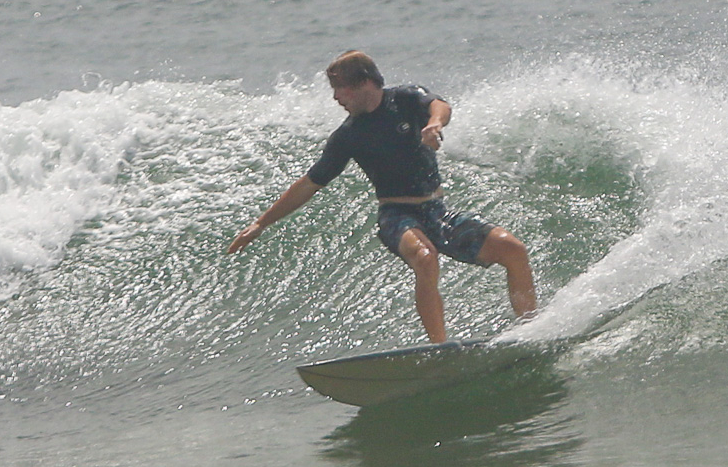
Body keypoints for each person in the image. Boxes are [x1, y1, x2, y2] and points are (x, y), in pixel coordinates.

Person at [228, 51, 536, 344]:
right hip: (396, 217)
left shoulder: (406, 99)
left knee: (513, 249)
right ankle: (441, 348)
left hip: (437, 211)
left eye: (340, 89)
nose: (336, 98)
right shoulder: (348, 136)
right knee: (425, 258)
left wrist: (434, 124)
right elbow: (310, 183)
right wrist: (261, 223)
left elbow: (440, 105)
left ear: (364, 84)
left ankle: (529, 331)